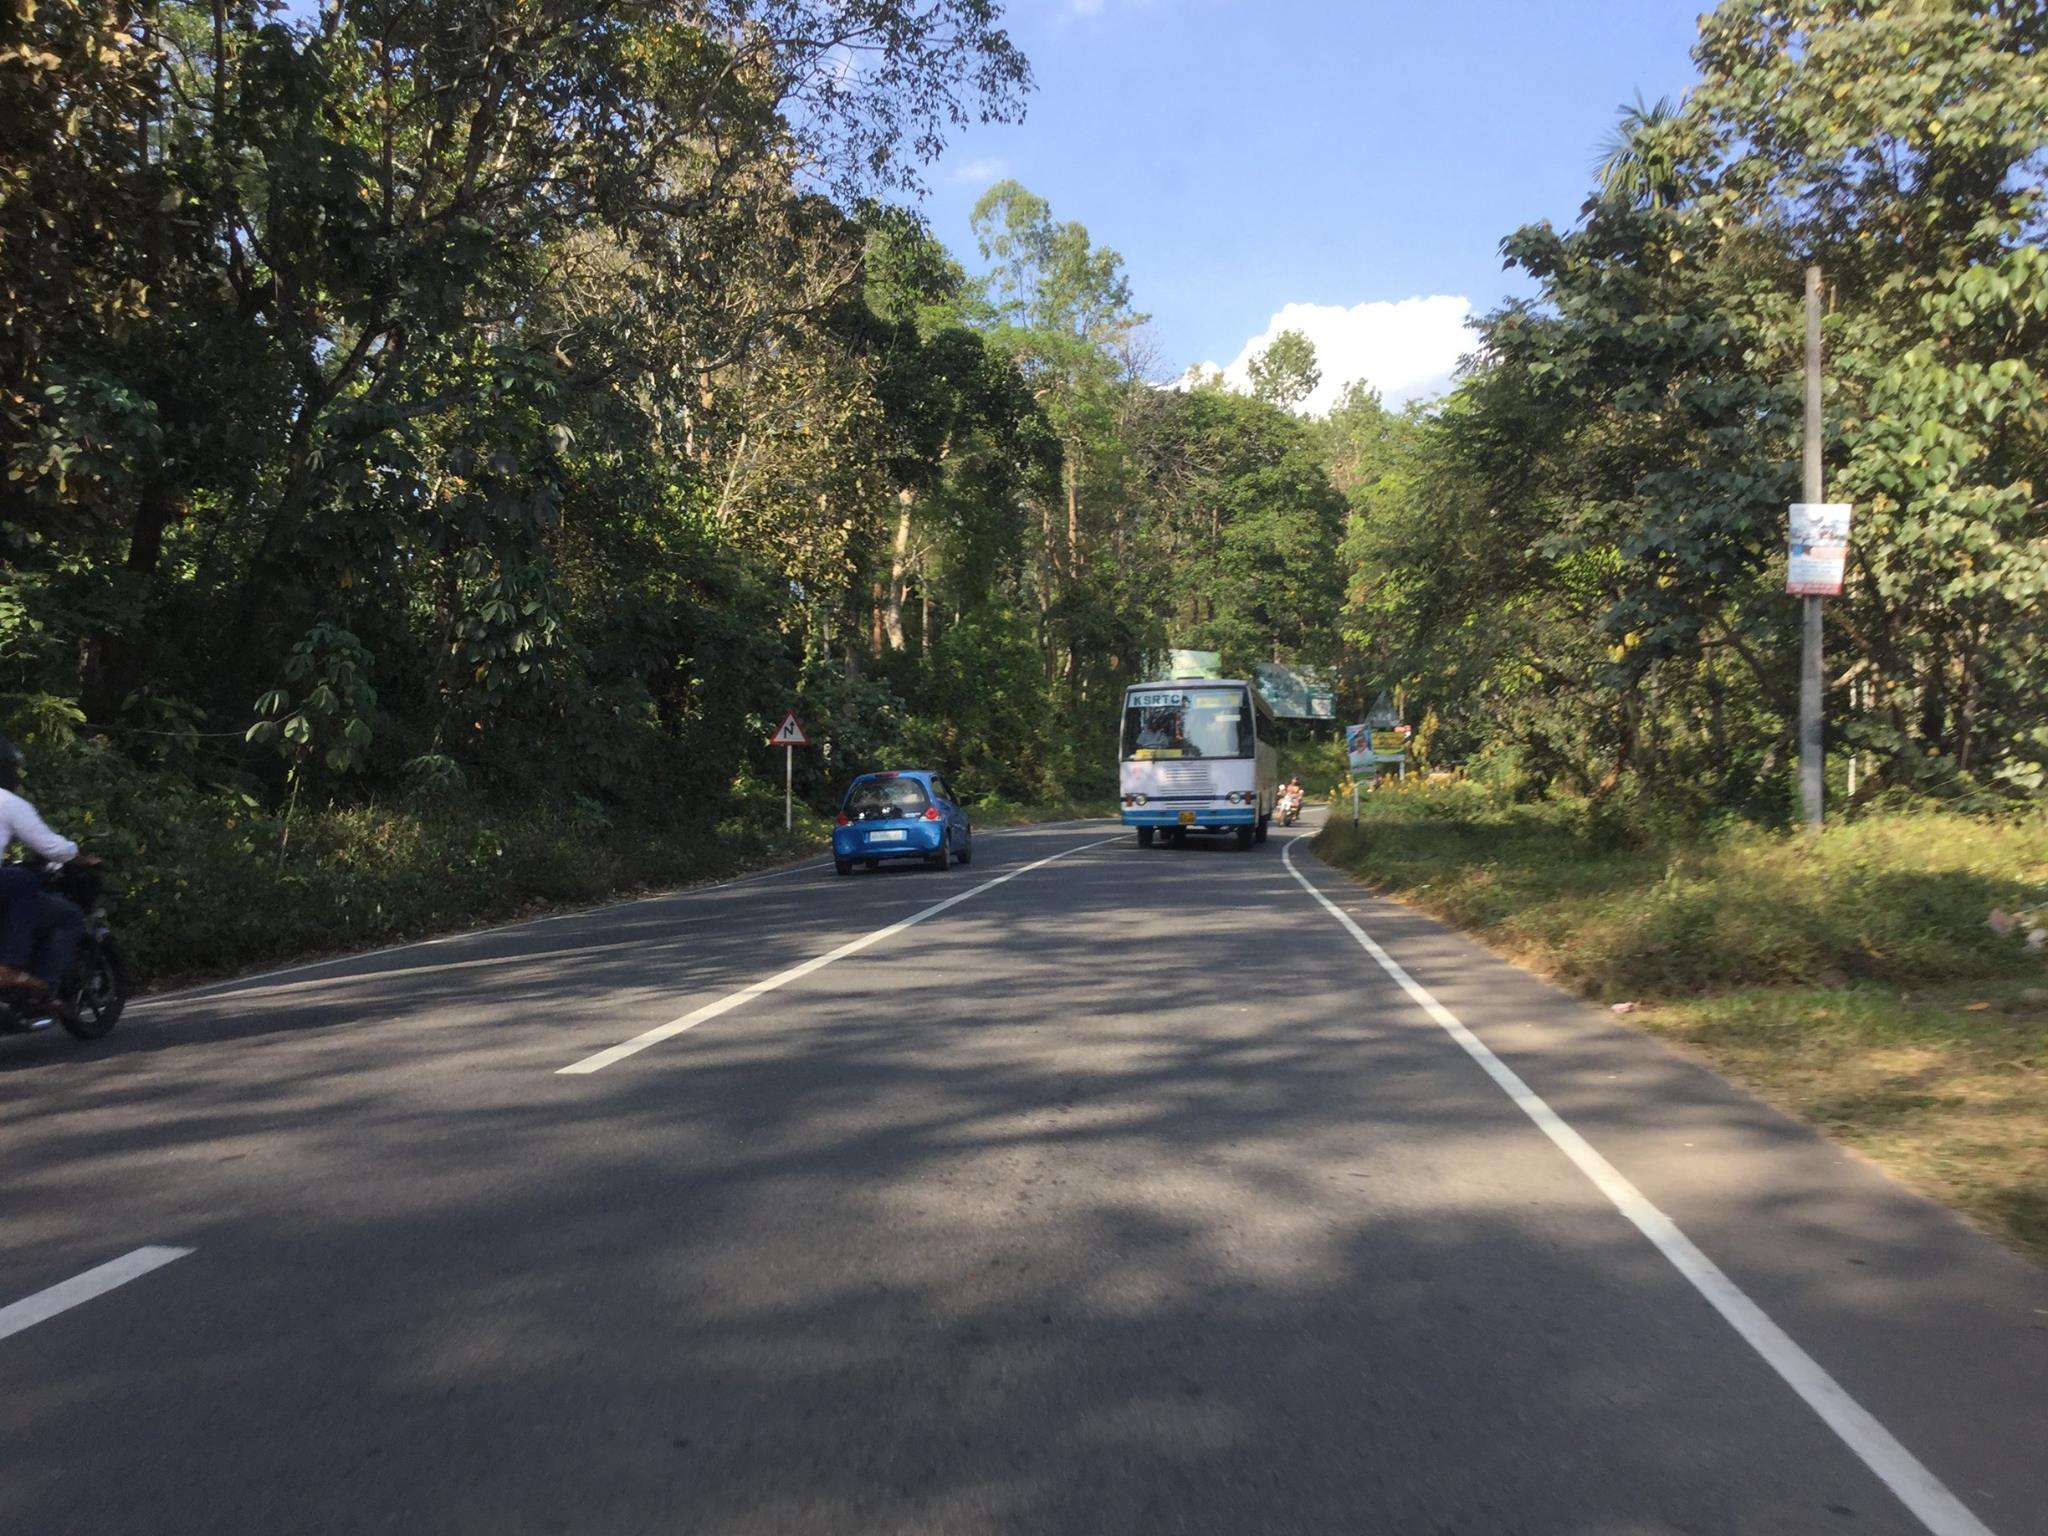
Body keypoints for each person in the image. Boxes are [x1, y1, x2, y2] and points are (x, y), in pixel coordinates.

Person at [0, 736, 87, 1012]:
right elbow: (51, 847)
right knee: (66, 914)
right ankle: (24, 977)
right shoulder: (7, 801)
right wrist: (80, 857)